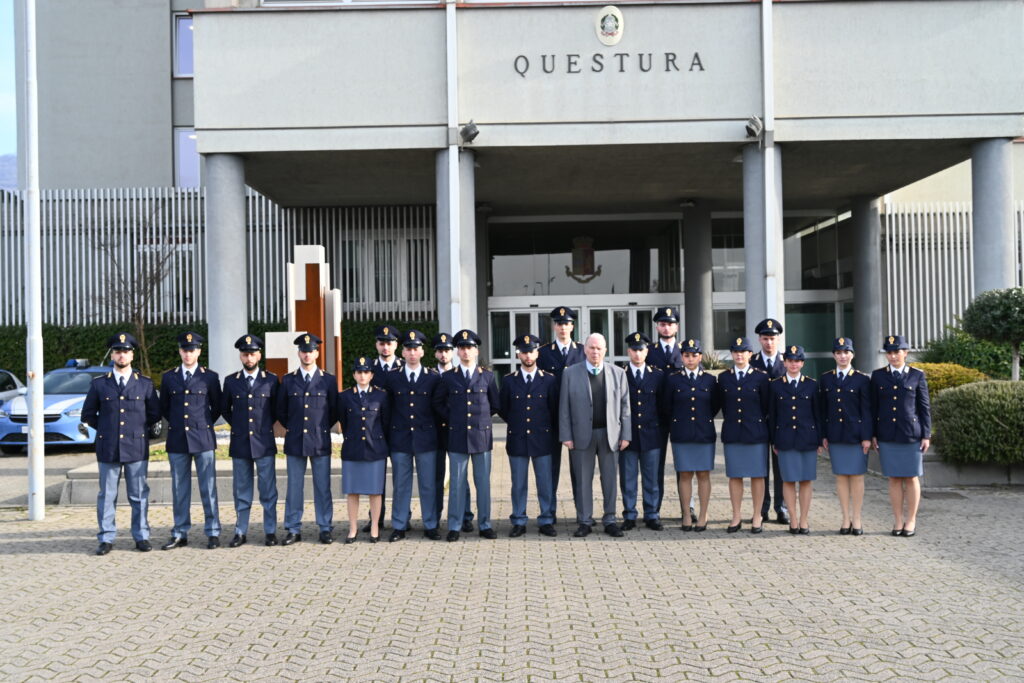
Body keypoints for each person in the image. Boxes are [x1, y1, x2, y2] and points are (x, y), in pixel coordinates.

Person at [81, 332, 162, 555]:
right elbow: (88, 414)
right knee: (107, 495)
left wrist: (135, 432)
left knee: (138, 495)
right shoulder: (99, 384)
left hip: (136, 447)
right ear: (113, 355)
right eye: (118, 351)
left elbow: (154, 413)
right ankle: (106, 538)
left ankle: (141, 536)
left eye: (125, 351)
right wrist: (108, 429)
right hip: (108, 448)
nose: (121, 355)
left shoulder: (144, 384)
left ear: (132, 355)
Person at [558, 333, 631, 538]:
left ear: (605, 350)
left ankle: (610, 519)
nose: (595, 352)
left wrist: (626, 435)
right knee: (582, 480)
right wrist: (566, 435)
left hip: (610, 436)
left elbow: (625, 408)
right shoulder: (570, 374)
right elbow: (564, 407)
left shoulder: (618, 373)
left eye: (599, 348)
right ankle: (585, 520)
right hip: (581, 436)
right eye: (591, 348)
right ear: (585, 349)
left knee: (609, 480)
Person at [433, 329, 499, 542]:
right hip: (457, 436)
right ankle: (454, 525)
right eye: (461, 347)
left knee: (483, 483)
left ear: (476, 350)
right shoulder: (448, 377)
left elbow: (495, 404)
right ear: (457, 351)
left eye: (469, 347)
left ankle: (485, 524)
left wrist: (480, 421)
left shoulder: (487, 376)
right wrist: (453, 418)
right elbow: (438, 403)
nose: (465, 351)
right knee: (457, 484)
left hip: (481, 436)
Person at [160, 332, 223, 550]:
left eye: (192, 349)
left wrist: (201, 423)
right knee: (179, 489)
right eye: (185, 350)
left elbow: (217, 407)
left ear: (199, 351)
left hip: (203, 438)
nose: (188, 353)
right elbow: (165, 408)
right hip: (178, 439)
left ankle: (213, 531)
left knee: (209, 487)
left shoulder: (210, 377)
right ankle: (180, 532)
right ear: (180, 351)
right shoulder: (169, 377)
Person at [277, 333, 339, 545]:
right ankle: (293, 528)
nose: (307, 354)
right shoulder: (288, 379)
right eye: (303, 351)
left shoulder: (328, 380)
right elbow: (281, 410)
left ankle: (325, 527)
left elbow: (334, 410)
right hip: (295, 439)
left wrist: (319, 428)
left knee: (323, 486)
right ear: (299, 353)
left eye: (311, 351)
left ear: (317, 352)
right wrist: (296, 428)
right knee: (294, 487)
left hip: (320, 439)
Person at [498, 334, 559, 537]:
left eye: (531, 351)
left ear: (537, 353)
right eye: (524, 352)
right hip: (517, 438)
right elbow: (504, 409)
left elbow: (554, 409)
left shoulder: (549, 380)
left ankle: (546, 519)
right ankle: (518, 520)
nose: (528, 355)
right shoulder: (508, 381)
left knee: (545, 482)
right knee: (518, 483)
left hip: (542, 438)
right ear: (519, 355)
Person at [221, 334, 280, 548]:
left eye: (252, 353)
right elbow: (225, 409)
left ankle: (270, 531)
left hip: (263, 442)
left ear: (259, 355)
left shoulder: (271, 380)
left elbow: (275, 410)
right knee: (241, 491)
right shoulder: (231, 381)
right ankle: (240, 531)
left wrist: (262, 427)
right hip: (240, 443)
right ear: (240, 356)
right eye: (245, 354)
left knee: (268, 491)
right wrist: (239, 425)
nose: (249, 357)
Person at [871, 335, 931, 538]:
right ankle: (897, 519)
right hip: (887, 434)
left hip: (910, 434)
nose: (893, 355)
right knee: (894, 478)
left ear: (906, 353)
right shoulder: (878, 376)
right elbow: (873, 407)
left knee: (912, 477)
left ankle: (911, 519)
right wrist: (873, 434)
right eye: (889, 352)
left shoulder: (917, 375)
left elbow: (924, 407)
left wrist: (926, 434)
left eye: (897, 351)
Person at [385, 330, 442, 542]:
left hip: (426, 438)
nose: (412, 353)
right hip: (400, 438)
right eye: (408, 349)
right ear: (403, 351)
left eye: (415, 349)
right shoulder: (393, 377)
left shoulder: (433, 378)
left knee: (428, 484)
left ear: (422, 352)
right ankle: (399, 525)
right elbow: (387, 409)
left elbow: (438, 409)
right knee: (401, 484)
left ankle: (430, 525)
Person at [666, 338, 720, 532]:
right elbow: (667, 406)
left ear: (700, 356)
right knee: (686, 474)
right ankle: (687, 515)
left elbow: (714, 406)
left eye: (694, 355)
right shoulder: (673, 379)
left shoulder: (710, 380)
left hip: (704, 433)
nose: (690, 359)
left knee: (704, 474)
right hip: (682, 433)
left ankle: (703, 515)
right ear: (681, 357)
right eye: (686, 355)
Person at [717, 337, 770, 534]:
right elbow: (720, 404)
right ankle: (736, 515)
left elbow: (766, 406)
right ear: (731, 354)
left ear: (750, 354)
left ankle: (757, 515)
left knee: (757, 475)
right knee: (735, 475)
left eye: (743, 351)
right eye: (735, 351)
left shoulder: (761, 377)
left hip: (755, 433)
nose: (739, 355)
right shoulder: (724, 378)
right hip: (733, 432)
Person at [819, 337, 872, 535]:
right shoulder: (826, 378)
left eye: (846, 352)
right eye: (839, 352)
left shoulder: (862, 379)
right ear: (834, 355)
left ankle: (857, 518)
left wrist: (867, 436)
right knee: (841, 477)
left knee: (857, 477)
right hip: (835, 435)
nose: (842, 356)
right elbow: (823, 410)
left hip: (856, 435)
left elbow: (867, 410)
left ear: (852, 354)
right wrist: (823, 435)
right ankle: (845, 518)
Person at [768, 345, 823, 535]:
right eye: (790, 360)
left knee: (806, 480)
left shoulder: (812, 384)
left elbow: (818, 414)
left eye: (797, 360)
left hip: (808, 438)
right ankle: (792, 518)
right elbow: (773, 416)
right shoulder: (775, 385)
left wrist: (819, 440)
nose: (794, 364)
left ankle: (804, 520)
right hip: (785, 439)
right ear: (784, 362)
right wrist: (774, 440)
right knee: (788, 480)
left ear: (802, 363)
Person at [338, 357, 391, 543]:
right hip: (353, 449)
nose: (362, 375)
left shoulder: (381, 396)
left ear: (371, 375)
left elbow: (385, 423)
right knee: (352, 491)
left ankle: (375, 526)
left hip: (375, 449)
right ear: (353, 374)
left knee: (375, 491)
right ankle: (353, 528)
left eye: (366, 372)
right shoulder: (344, 396)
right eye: (359, 372)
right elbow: (344, 422)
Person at [537, 306, 584, 507]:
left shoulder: (583, 351)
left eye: (566, 323)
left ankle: (583, 513)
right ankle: (548, 513)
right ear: (554, 326)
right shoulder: (544, 353)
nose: (563, 327)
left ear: (572, 326)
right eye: (559, 323)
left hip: (577, 420)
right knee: (550, 468)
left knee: (580, 469)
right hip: (551, 419)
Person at [620, 332, 667, 531]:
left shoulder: (657, 375)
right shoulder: (620, 374)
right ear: (628, 351)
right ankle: (629, 514)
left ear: (647, 351)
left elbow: (663, 406)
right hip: (628, 437)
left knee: (652, 478)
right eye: (634, 350)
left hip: (651, 434)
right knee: (628, 478)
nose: (637, 354)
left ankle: (652, 514)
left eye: (641, 350)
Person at [750, 317, 790, 526]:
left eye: (772, 338)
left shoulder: (787, 362)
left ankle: (781, 508)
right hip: (757, 422)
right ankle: (762, 508)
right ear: (759, 339)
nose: (768, 342)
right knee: (759, 468)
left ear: (778, 339)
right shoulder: (752, 363)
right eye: (765, 338)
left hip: (781, 423)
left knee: (781, 467)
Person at [431, 332, 473, 532]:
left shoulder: (460, 373)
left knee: (461, 476)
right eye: (440, 350)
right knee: (437, 476)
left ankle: (465, 516)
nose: (443, 354)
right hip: (435, 433)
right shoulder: (430, 375)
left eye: (447, 350)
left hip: (459, 432)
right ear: (435, 354)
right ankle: (436, 515)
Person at [645, 306, 683, 519]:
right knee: (655, 466)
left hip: (680, 417)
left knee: (684, 466)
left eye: (670, 323)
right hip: (655, 417)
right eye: (662, 323)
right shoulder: (649, 351)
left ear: (676, 326)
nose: (666, 327)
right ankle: (654, 510)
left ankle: (687, 508)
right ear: (657, 326)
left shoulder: (685, 352)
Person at [365, 324, 402, 531]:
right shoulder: (369, 369)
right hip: (375, 429)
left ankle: (401, 516)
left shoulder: (404, 366)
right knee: (376, 477)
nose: (385, 347)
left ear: (396, 345)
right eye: (382, 343)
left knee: (400, 477)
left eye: (389, 343)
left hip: (399, 428)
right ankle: (376, 518)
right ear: (376, 345)